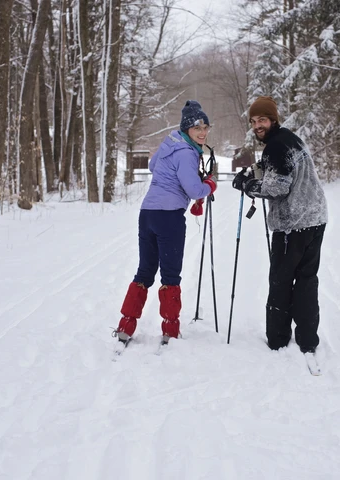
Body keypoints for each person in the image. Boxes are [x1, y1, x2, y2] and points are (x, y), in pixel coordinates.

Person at [114, 100, 217, 344]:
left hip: (147, 213)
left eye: (206, 127)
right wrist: (210, 184)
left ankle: (125, 326)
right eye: (197, 128)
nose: (202, 133)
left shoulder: (171, 142)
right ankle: (170, 330)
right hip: (169, 217)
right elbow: (194, 190)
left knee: (145, 271)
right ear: (186, 129)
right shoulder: (186, 152)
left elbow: (152, 165)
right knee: (170, 275)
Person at [232, 96, 328, 354]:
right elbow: (276, 168)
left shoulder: (276, 146)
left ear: (273, 119)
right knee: (307, 280)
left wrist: (248, 185)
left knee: (281, 281)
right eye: (253, 121)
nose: (257, 126)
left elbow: (278, 186)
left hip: (292, 225)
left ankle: (277, 338)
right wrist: (254, 170)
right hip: (316, 218)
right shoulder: (290, 139)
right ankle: (308, 339)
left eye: (262, 120)